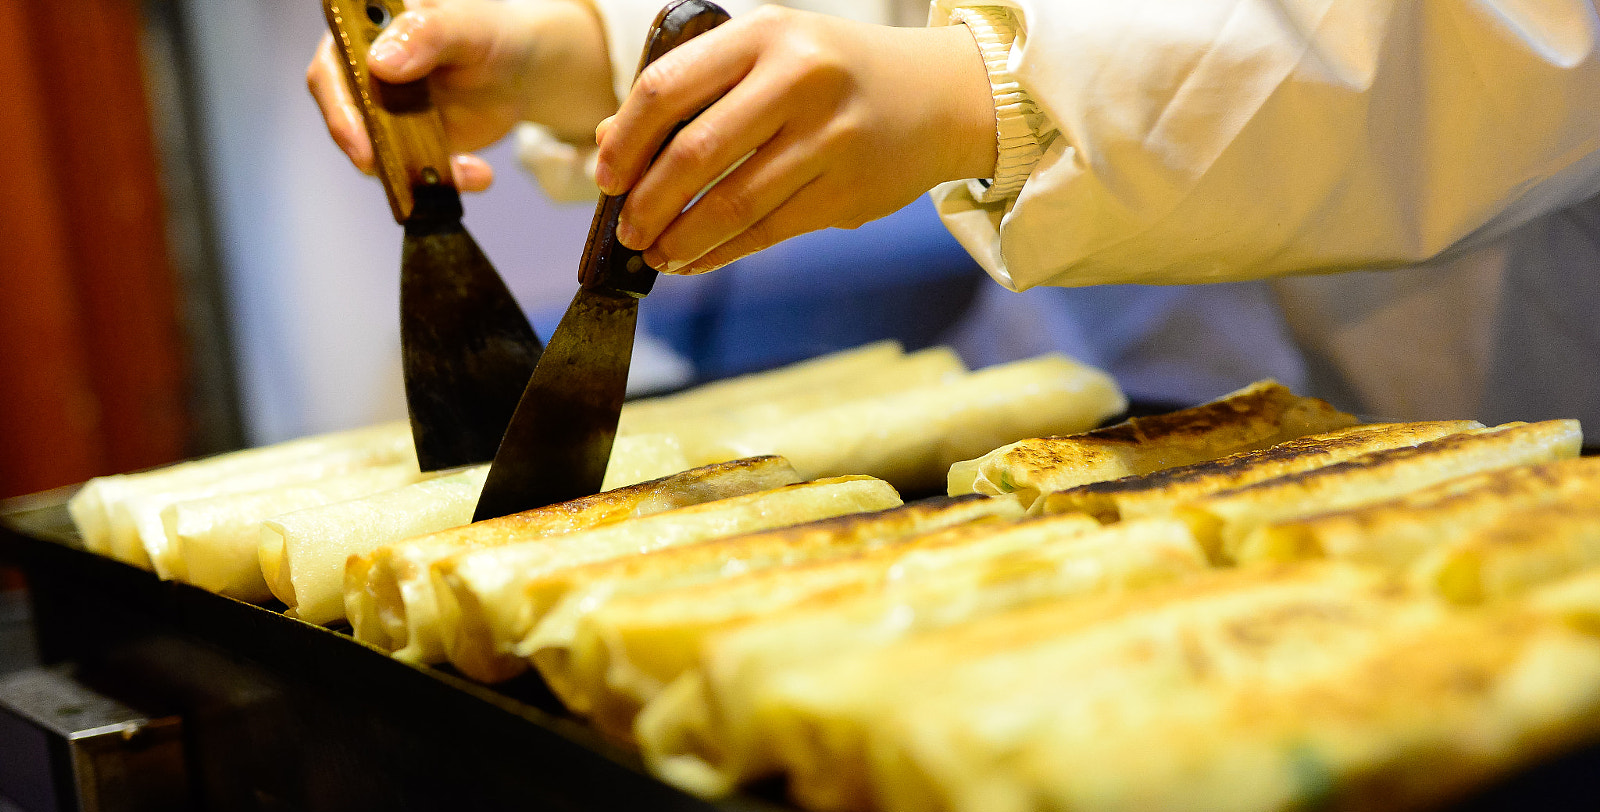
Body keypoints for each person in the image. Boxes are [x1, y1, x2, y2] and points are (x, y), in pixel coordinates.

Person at [309, 0, 1600, 434]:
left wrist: (994, 93)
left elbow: (1533, 36)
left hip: (1498, 341)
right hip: (1145, 362)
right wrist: (591, 39)